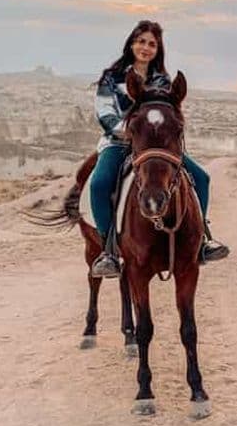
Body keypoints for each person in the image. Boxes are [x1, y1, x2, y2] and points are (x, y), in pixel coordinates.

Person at [90, 20, 229, 278]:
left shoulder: (162, 80)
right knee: (99, 184)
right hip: (119, 142)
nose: (146, 47)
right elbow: (104, 112)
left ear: (158, 49)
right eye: (141, 41)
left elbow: (168, 112)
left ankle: (202, 240)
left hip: (156, 146)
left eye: (152, 44)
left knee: (202, 178)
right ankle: (108, 251)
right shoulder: (112, 77)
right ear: (131, 43)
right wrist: (129, 131)